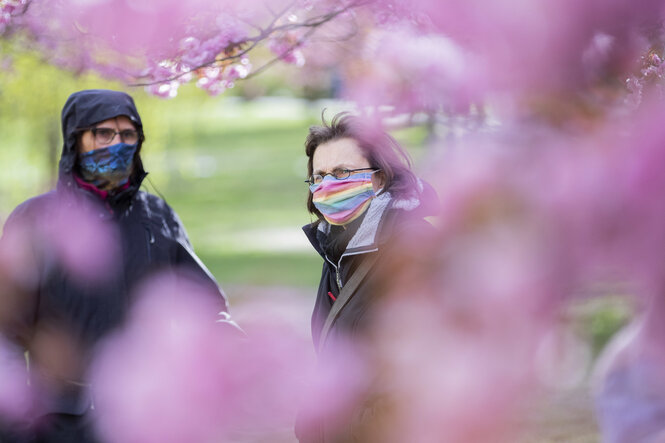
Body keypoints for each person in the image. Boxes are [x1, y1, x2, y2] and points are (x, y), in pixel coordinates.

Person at [0, 89, 232, 442]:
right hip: (57, 420)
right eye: (103, 133)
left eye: (127, 135)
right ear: (76, 140)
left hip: (145, 419)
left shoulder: (157, 216)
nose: (117, 144)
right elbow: (7, 331)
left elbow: (206, 305)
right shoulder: (36, 219)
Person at [296, 112, 436, 442]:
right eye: (319, 176)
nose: (328, 185)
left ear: (380, 177)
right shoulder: (337, 247)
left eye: (342, 172)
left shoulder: (412, 247)